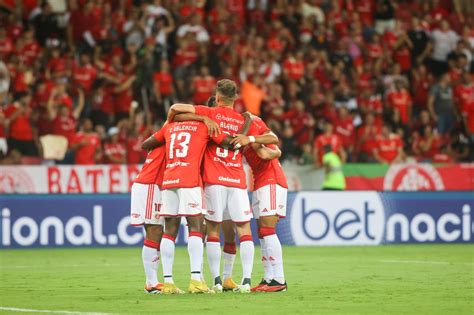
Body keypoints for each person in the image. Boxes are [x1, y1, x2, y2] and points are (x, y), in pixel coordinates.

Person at [167, 79, 278, 293]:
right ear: (235, 99)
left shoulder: (209, 113)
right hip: (237, 180)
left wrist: (201, 116)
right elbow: (273, 138)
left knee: (213, 228)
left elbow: (176, 111)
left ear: (217, 98)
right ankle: (246, 281)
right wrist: (249, 136)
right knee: (243, 228)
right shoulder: (243, 119)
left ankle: (217, 281)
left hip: (214, 180)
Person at [130, 141, 166, 294]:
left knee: (157, 231)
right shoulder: (168, 138)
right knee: (154, 230)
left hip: (149, 184)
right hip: (149, 184)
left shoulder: (162, 140)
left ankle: (151, 281)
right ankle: (151, 283)